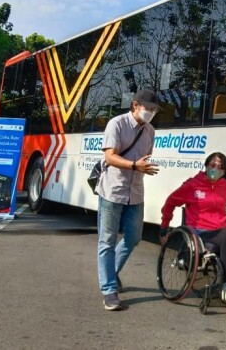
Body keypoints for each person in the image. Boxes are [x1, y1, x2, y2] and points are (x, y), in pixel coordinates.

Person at [159, 152, 226, 303]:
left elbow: (221, 214)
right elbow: (170, 202)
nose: (215, 169)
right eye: (212, 165)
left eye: (220, 167)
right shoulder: (193, 185)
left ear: (224, 171)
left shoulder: (224, 186)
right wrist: (164, 227)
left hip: (221, 230)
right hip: (200, 233)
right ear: (206, 166)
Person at [97, 89, 161, 311]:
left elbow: (146, 157)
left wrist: (143, 167)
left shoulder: (150, 131)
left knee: (134, 238)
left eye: (154, 110)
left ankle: (110, 274)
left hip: (135, 193)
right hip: (112, 191)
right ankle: (109, 290)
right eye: (148, 108)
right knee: (107, 241)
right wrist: (134, 165)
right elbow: (110, 156)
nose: (151, 113)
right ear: (135, 105)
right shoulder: (117, 124)